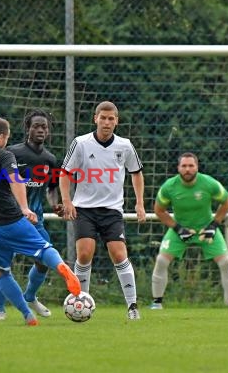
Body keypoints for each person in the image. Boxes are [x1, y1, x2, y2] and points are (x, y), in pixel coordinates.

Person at [0, 116, 81, 326]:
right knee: (44, 249)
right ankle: (63, 268)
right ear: (2, 137)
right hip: (10, 220)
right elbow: (16, 180)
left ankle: (27, 314)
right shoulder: (5, 155)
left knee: (1, 272)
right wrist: (24, 208)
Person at [59, 100, 146, 320]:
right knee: (85, 253)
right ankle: (82, 300)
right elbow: (65, 173)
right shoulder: (81, 143)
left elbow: (136, 172)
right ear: (95, 118)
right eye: (103, 118)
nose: (107, 122)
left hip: (112, 210)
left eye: (111, 119)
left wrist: (139, 203)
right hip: (85, 209)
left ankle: (132, 306)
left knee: (119, 254)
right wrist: (67, 200)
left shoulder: (125, 145)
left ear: (116, 121)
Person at [0, 108, 63, 321]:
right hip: (9, 218)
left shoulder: (50, 159)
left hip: (36, 220)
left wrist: (56, 205)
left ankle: (30, 296)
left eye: (44, 127)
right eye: (36, 126)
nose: (40, 130)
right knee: (3, 263)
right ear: (27, 129)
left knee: (44, 261)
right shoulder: (12, 153)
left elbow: (51, 188)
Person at [150, 152, 228, 310]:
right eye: (184, 166)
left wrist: (214, 225)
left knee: (225, 262)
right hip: (180, 230)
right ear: (178, 168)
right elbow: (159, 210)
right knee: (161, 261)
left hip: (206, 229)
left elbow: (227, 201)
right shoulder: (169, 186)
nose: (187, 169)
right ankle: (157, 303)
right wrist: (178, 229)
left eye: (191, 166)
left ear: (197, 167)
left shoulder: (209, 183)